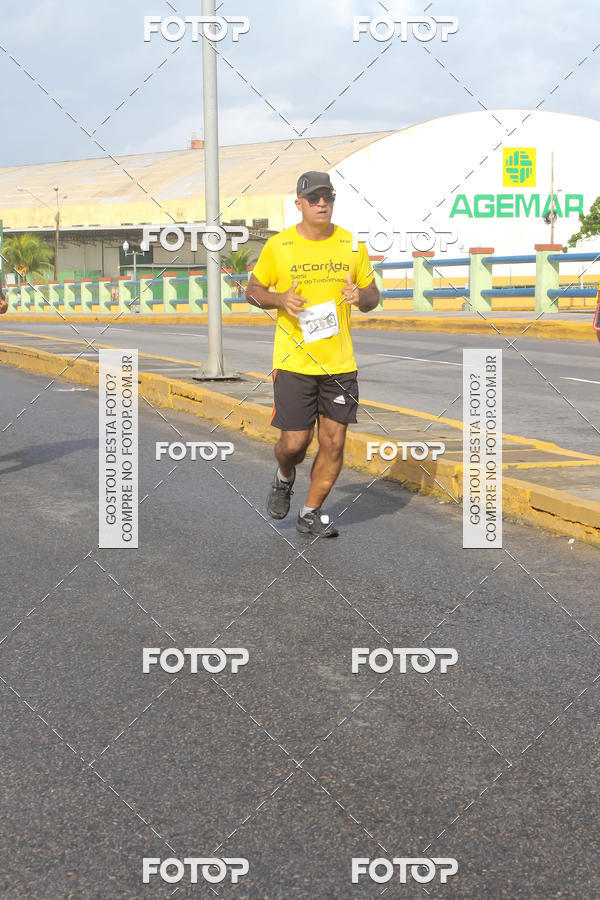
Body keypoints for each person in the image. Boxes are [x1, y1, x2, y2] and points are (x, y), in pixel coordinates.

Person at [246, 171, 380, 537]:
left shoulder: (351, 246)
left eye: (328, 197)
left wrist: (361, 297)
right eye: (315, 198)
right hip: (294, 362)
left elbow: (373, 296)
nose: (322, 204)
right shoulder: (280, 247)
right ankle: (284, 475)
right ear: (300, 204)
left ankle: (310, 512)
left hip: (339, 364)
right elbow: (253, 291)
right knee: (295, 444)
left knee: (334, 441)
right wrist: (279, 299)